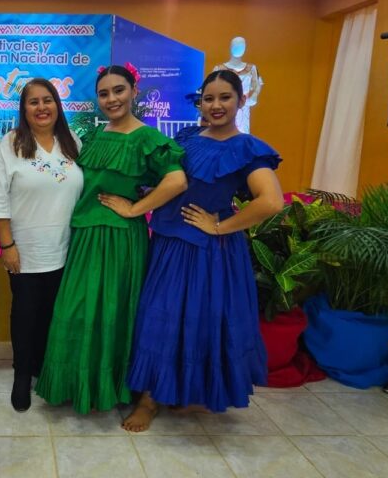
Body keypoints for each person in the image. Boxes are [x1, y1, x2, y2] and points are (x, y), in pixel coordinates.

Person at [120, 69, 283, 432]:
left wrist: (220, 225)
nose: (216, 105)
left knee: (196, 321)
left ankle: (175, 393)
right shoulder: (189, 137)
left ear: (240, 101)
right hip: (167, 244)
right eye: (209, 98)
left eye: (225, 97)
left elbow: (271, 201)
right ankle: (150, 397)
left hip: (209, 253)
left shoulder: (246, 148)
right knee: (158, 317)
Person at [35, 64, 187, 414]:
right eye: (104, 93)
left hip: (120, 240)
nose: (111, 99)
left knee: (113, 311)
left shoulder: (147, 138)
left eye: (119, 90)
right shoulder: (93, 136)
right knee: (77, 310)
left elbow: (176, 181)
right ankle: (79, 385)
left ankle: (112, 388)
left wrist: (137, 210)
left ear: (134, 90)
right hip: (85, 236)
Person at [0, 78, 84, 412]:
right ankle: (21, 375)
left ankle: (43, 369)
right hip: (24, 251)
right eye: (33, 102)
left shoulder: (73, 144)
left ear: (57, 105)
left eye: (47, 100)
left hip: (66, 250)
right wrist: (7, 245)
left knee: (52, 316)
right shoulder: (10, 145)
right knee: (25, 315)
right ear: (23, 109)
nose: (41, 108)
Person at [213, 36, 263, 134]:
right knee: (224, 135)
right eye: (236, 45)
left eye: (241, 45)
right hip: (225, 108)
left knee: (242, 136)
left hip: (244, 108)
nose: (239, 47)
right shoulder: (219, 69)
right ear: (231, 46)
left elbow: (258, 84)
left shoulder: (251, 69)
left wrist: (255, 95)